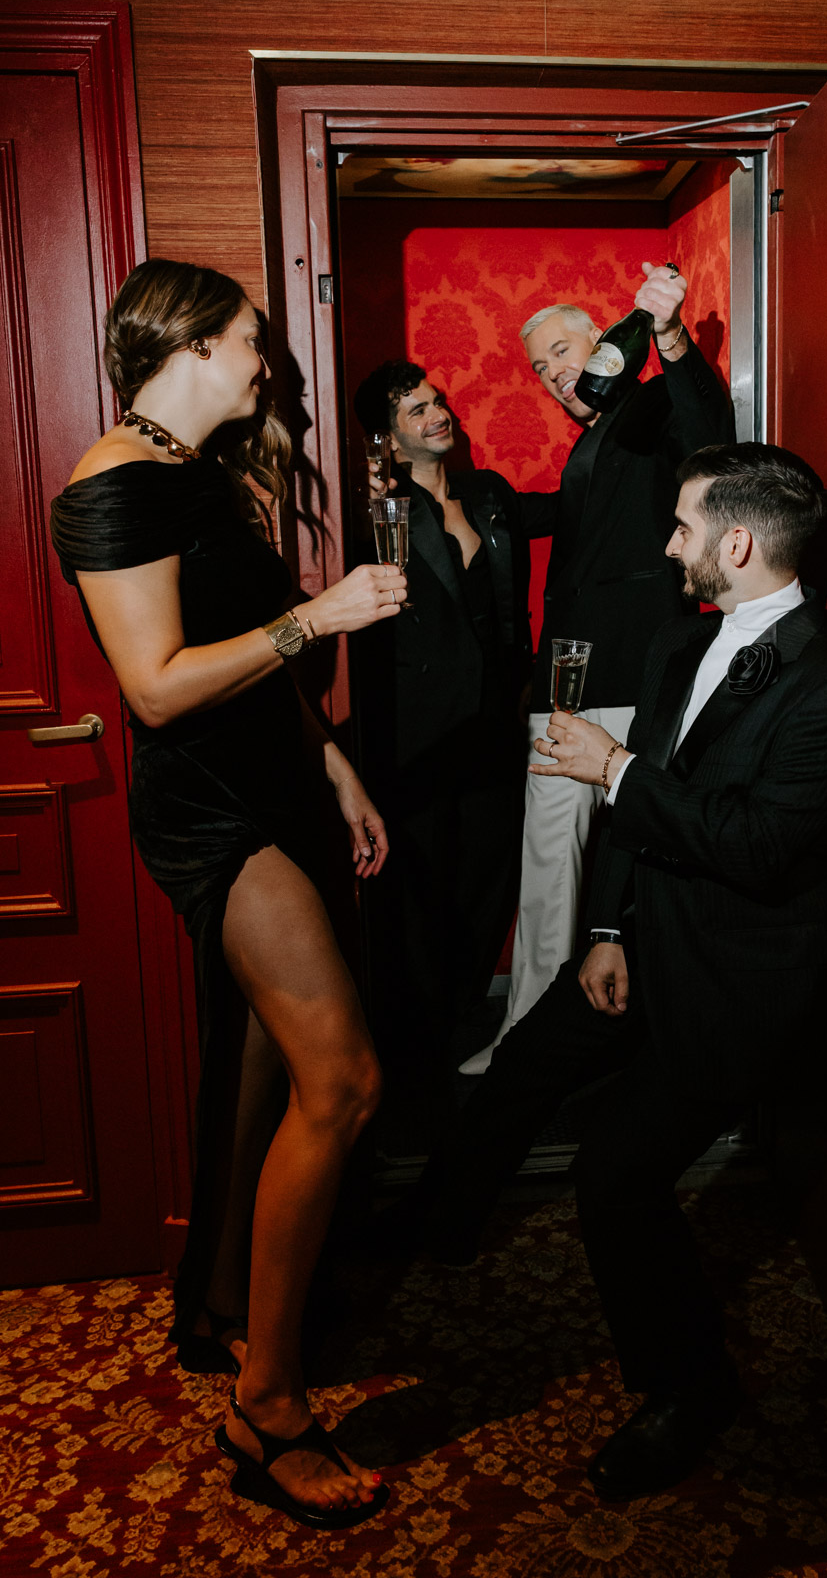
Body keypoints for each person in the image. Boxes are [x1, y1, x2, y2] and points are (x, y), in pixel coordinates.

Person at [409, 442, 827, 1500]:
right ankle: (434, 1234)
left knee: (611, 1176)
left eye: (677, 526)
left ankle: (688, 1389)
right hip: (639, 947)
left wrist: (615, 768)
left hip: (728, 988)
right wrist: (607, 933)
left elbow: (754, 843)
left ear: (735, 541)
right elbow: (639, 823)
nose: (663, 543)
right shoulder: (682, 644)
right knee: (522, 1061)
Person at [50, 259, 405, 1530]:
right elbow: (153, 686)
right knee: (345, 1078)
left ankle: (225, 1303)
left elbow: (255, 669)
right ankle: (267, 1405)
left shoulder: (201, 476)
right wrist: (321, 617)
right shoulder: (108, 487)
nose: (267, 363)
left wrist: (335, 763)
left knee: (267, 1077)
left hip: (284, 788)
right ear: (191, 343)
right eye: (252, 341)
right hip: (212, 815)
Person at [463, 260, 735, 1074]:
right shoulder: (596, 441)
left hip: (629, 675)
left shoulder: (648, 409)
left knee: (607, 862)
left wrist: (668, 334)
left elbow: (709, 424)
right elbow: (570, 530)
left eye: (561, 354)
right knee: (554, 861)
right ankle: (533, 1041)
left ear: (601, 346)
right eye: (540, 367)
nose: (552, 375)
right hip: (569, 681)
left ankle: (580, 1041)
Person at [352, 362, 531, 1141]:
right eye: (414, 408)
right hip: (416, 729)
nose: (436, 412)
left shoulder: (487, 495)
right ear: (385, 432)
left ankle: (463, 1022)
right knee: (419, 884)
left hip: (493, 722)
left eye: (436, 400)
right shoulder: (383, 508)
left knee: (489, 875)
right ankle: (414, 1049)